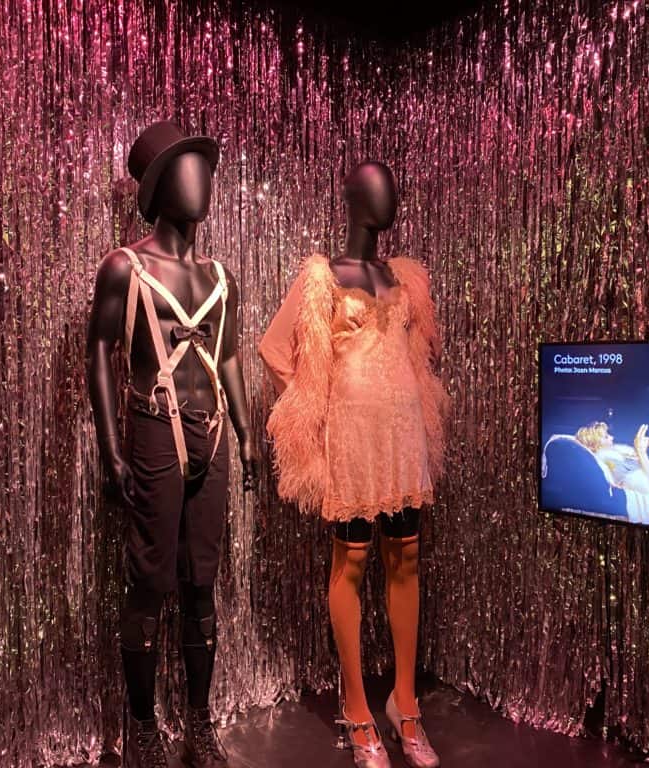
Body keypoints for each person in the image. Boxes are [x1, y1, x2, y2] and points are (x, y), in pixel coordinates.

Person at [260, 162, 447, 768]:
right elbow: (272, 347)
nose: (390, 197)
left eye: (393, 185)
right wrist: (320, 399)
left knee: (408, 558)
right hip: (353, 444)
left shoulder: (404, 278)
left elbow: (413, 359)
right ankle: (357, 707)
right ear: (354, 200)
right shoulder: (322, 279)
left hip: (403, 440)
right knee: (353, 560)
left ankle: (405, 701)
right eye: (377, 188)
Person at [87, 122, 258, 768]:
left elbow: (232, 358)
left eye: (207, 167)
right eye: (192, 166)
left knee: (201, 584)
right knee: (149, 583)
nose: (205, 178)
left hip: (210, 432)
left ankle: (201, 723)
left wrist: (247, 439)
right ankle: (140, 728)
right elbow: (99, 354)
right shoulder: (123, 267)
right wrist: (110, 448)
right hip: (154, 428)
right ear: (161, 185)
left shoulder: (220, 276)